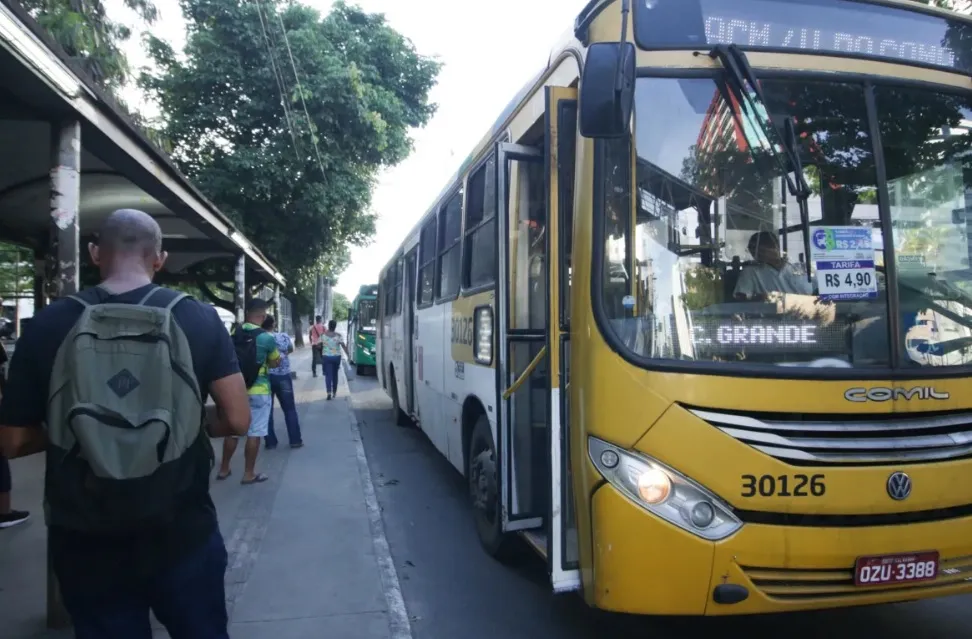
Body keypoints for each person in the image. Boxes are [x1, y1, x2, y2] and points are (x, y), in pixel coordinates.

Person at [0, 208, 251, 638]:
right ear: (160, 258)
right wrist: (176, 424)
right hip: (181, 530)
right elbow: (237, 418)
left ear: (96, 253)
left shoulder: (46, 325)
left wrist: (80, 431)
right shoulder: (198, 318)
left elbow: (13, 441)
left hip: (84, 535)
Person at [217, 299, 280, 484]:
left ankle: (224, 469)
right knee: (255, 432)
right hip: (259, 390)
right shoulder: (266, 338)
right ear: (263, 316)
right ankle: (248, 474)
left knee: (233, 430)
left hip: (237, 389)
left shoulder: (236, 332)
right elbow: (275, 361)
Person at [734, 230, 813, 301]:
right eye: (753, 251)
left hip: (809, 313)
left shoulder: (802, 268)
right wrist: (762, 297)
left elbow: (820, 290)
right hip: (772, 315)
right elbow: (741, 297)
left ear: (776, 247)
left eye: (761, 250)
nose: (755, 255)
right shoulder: (750, 272)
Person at [262, 315, 303, 450]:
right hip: (284, 376)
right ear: (273, 324)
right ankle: (295, 440)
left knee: (267, 411)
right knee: (290, 409)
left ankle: (270, 442)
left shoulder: (260, 338)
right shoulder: (283, 336)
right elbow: (290, 349)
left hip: (266, 377)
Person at [321, 319, 349, 400]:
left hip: (326, 357)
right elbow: (343, 346)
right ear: (335, 326)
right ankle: (334, 392)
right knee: (335, 374)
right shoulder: (338, 336)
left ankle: (328, 392)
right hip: (336, 357)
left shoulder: (323, 335)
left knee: (328, 375)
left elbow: (318, 345)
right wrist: (348, 354)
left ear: (329, 326)